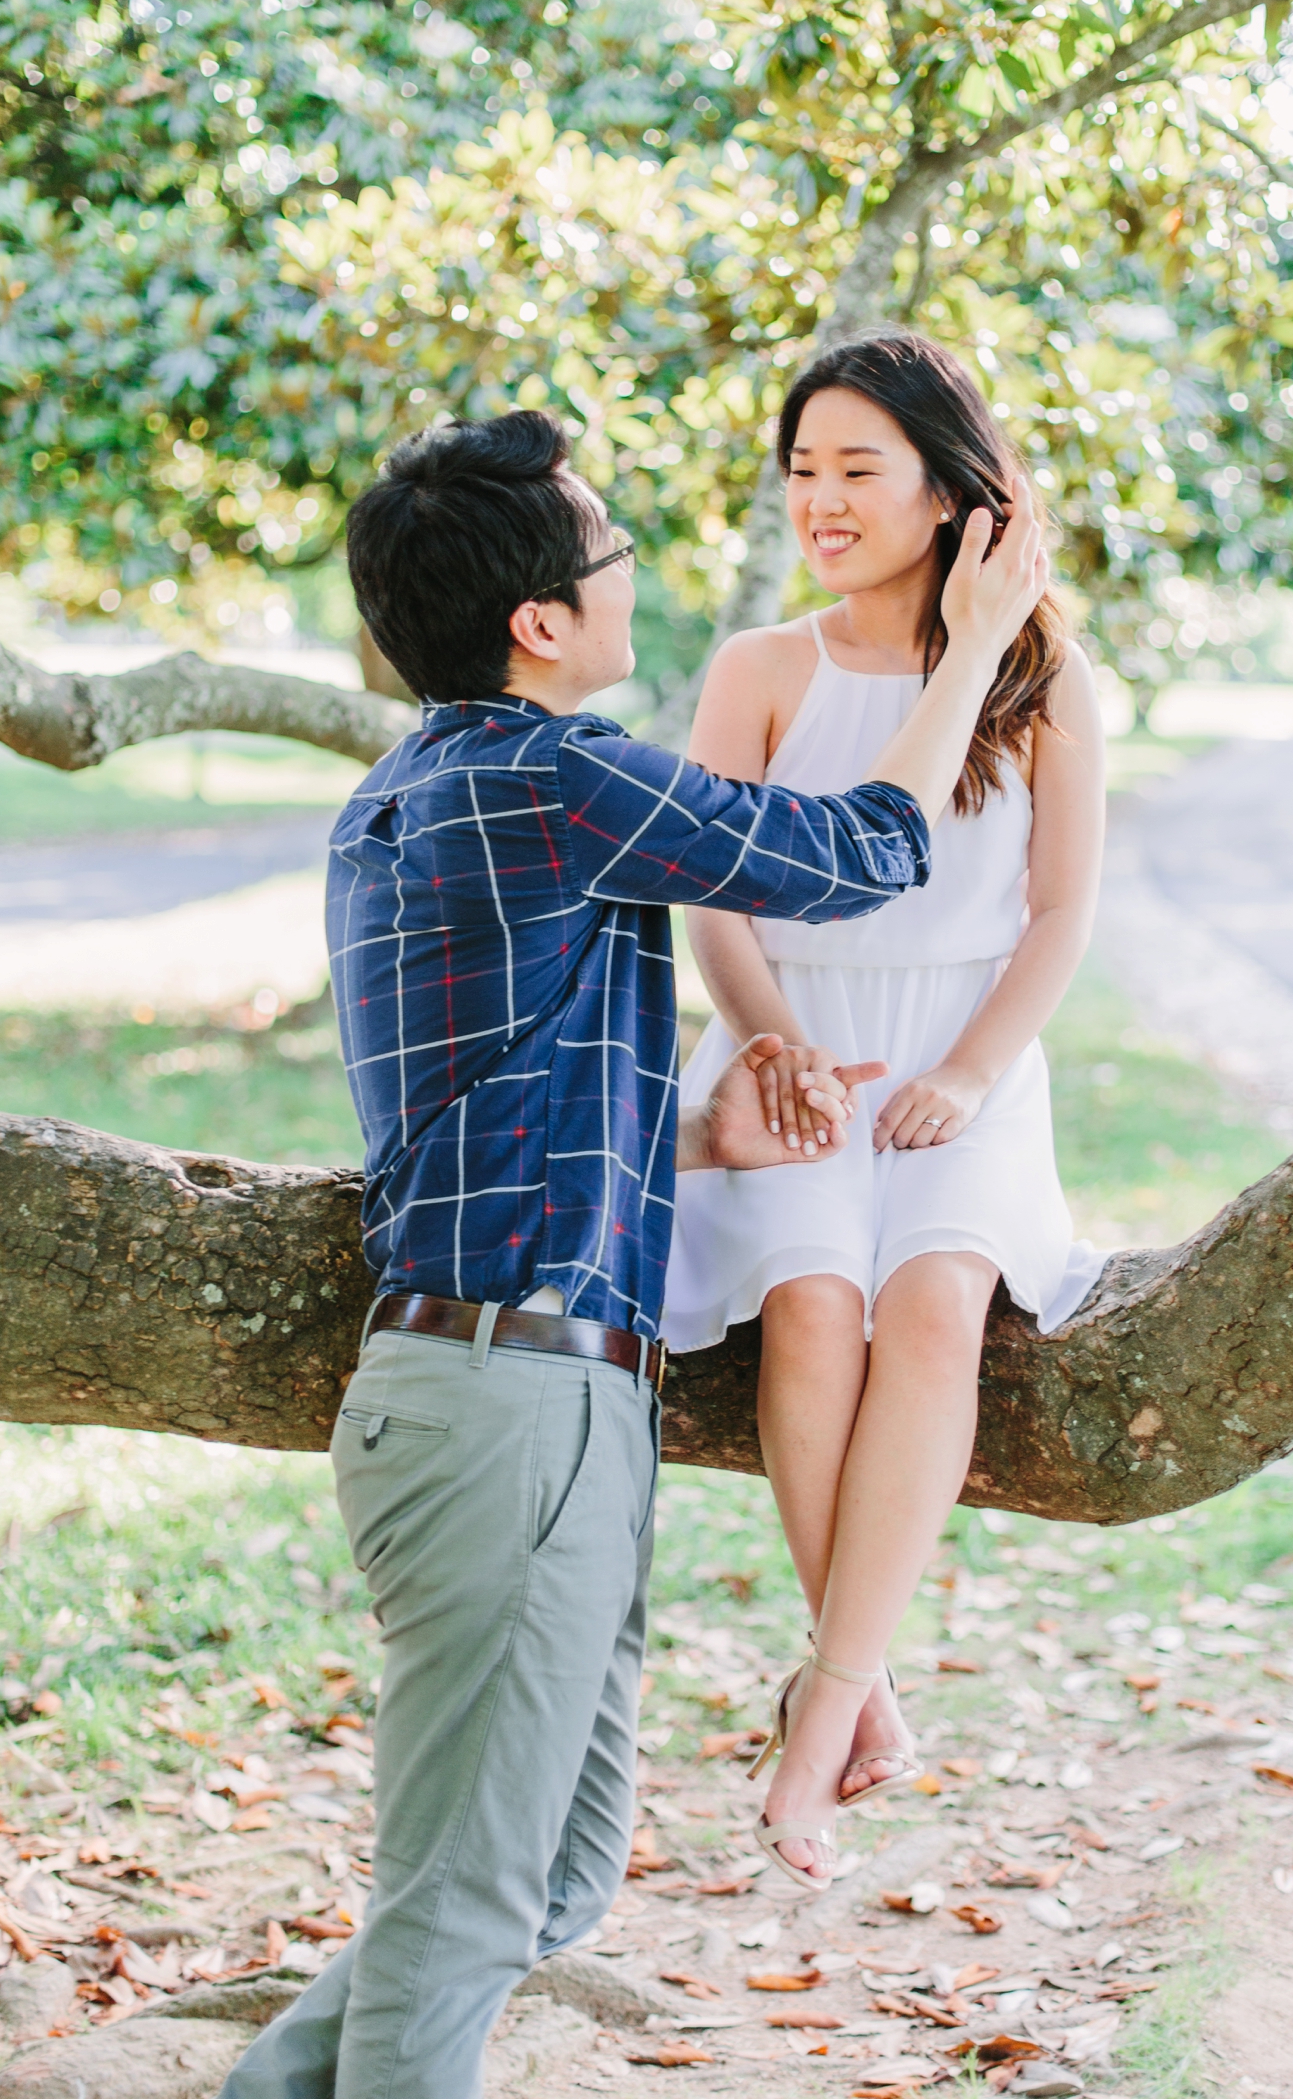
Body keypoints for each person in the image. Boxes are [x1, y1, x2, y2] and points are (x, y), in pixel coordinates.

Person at [220, 402, 1048, 2097]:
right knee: (468, 1906)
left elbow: (455, 1111)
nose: (630, 582)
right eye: (606, 559)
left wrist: (695, 1135)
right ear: (539, 623)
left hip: (521, 1389)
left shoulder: (412, 791)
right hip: (507, 1402)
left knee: (546, 1880)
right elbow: (861, 853)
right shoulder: (546, 770)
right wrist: (967, 649)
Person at [663, 328, 1106, 1888]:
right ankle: (860, 1679)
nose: (822, 501)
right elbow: (711, 901)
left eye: (859, 469)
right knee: (811, 1310)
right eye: (803, 471)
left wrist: (971, 1073)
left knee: (929, 1312)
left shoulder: (1045, 678)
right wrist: (772, 1046)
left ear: (947, 491)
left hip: (964, 1057)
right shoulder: (761, 670)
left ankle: (822, 1714)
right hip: (791, 1046)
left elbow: (1058, 916)